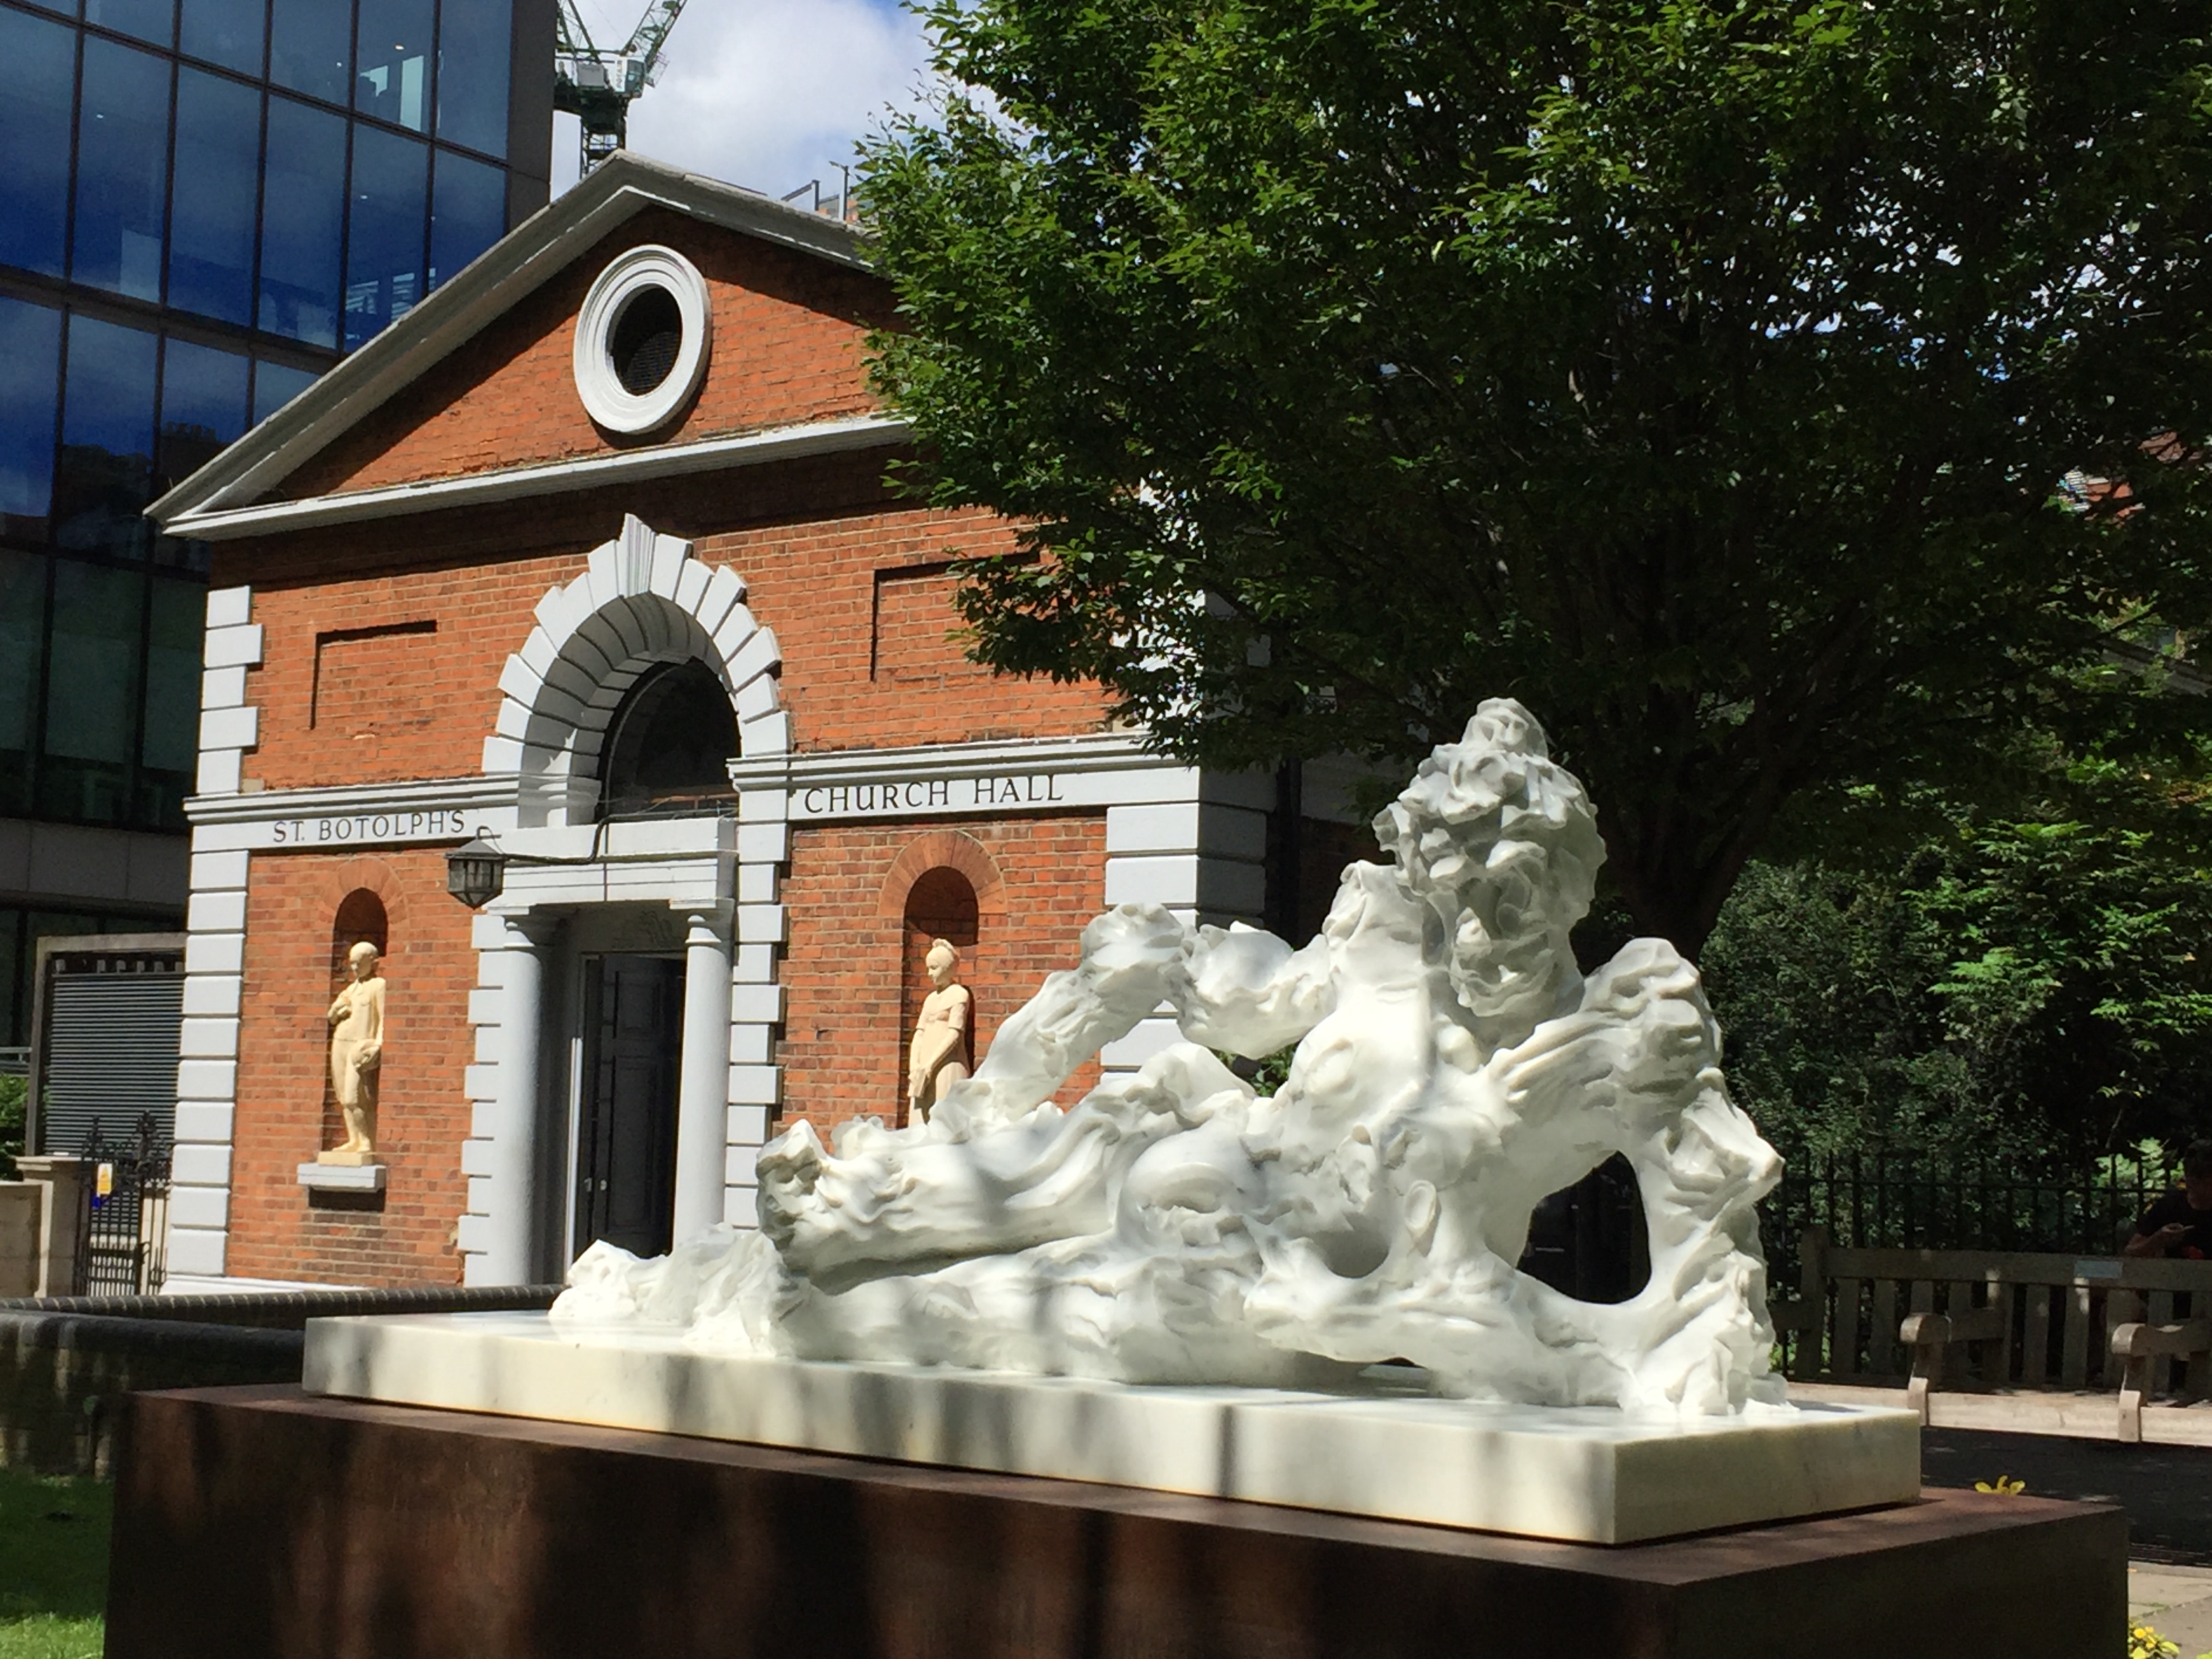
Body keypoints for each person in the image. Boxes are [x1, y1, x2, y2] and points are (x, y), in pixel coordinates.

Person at [327, 941, 386, 1156]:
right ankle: (354, 1140)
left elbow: (383, 1017)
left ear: (372, 962)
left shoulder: (378, 986)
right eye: (352, 963)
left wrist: (379, 1044)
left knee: (355, 1097)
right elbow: (331, 1018)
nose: (354, 968)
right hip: (340, 1043)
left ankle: (366, 1141)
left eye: (358, 963)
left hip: (359, 1047)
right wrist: (337, 1010)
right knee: (344, 1097)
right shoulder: (351, 989)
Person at [905, 938, 971, 1123]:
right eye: (928, 968)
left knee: (943, 1117)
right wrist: (915, 1065)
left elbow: (954, 1034)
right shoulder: (930, 999)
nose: (929, 974)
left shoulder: (959, 994)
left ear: (948, 967)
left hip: (945, 1064)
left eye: (934, 968)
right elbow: (920, 1033)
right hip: (924, 1066)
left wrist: (931, 1065)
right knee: (919, 1119)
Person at [2123, 1141, 2212, 1260]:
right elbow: (2130, 1253)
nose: (2201, 1189)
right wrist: (2158, 1240)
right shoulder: (2168, 1207)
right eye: (2194, 1182)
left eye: (2207, 1183)